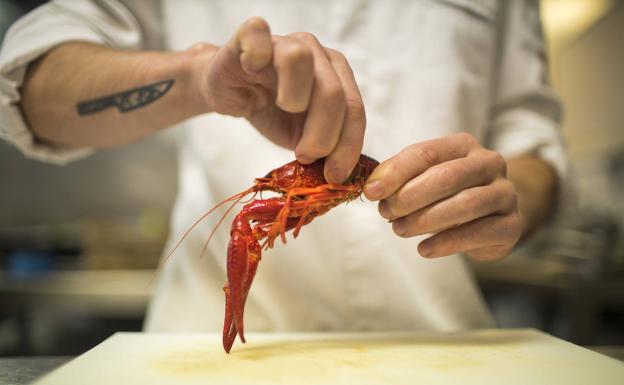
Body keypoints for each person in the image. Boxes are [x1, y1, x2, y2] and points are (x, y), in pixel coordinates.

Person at [0, 1, 564, 334]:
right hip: (206, 355)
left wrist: (506, 199)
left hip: (432, 347)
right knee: (248, 220)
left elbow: (534, 141)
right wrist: (199, 78)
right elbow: (27, 89)